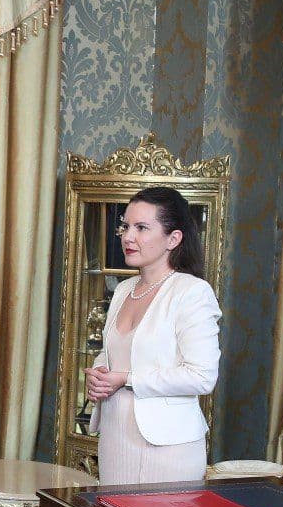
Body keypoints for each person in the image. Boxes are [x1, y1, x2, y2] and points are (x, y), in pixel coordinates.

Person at [85, 186, 221, 485]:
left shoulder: (191, 292)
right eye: (125, 226)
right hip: (115, 437)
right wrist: (99, 373)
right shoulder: (123, 289)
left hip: (167, 448)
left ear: (174, 239)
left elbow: (202, 376)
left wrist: (127, 378)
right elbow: (114, 352)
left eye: (142, 228)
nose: (127, 237)